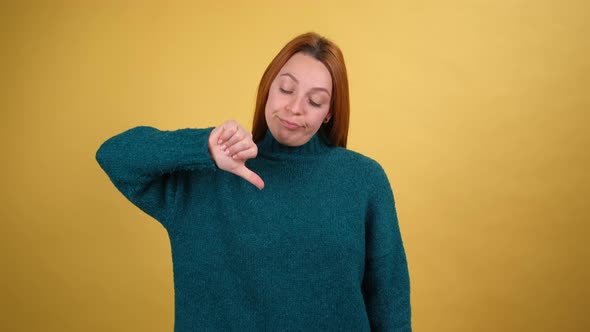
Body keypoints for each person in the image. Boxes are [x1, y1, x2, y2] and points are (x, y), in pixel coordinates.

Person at [96, 32, 411, 331]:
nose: (294, 108)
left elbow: (389, 304)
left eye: (315, 101)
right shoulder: (208, 175)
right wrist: (203, 146)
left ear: (328, 113)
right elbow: (114, 156)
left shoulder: (363, 181)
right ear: (269, 87)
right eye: (286, 89)